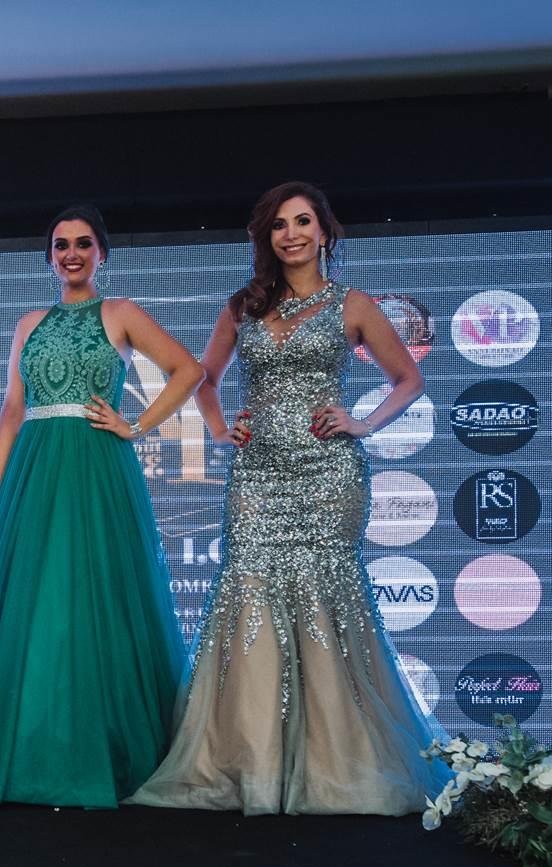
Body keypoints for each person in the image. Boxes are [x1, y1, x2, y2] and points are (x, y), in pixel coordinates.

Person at [130, 181, 447, 815]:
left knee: (326, 597)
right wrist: (220, 429)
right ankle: (253, 762)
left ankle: (336, 765)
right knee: (249, 595)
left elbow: (408, 379)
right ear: (267, 237)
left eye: (303, 222)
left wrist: (362, 423)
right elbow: (203, 380)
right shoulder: (243, 306)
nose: (292, 234)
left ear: (324, 232)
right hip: (257, 475)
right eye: (279, 224)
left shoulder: (354, 304)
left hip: (329, 475)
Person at [0, 205, 203, 807]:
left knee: (95, 599)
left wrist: (136, 426)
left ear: (101, 252)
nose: (71, 254)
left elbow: (189, 370)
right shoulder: (30, 323)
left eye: (82, 244)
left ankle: (100, 750)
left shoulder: (122, 313)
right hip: (33, 471)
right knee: (35, 603)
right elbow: (11, 412)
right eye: (60, 245)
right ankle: (29, 751)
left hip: (97, 468)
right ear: (49, 256)